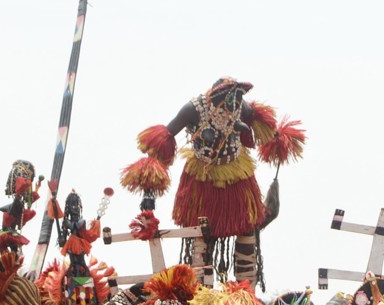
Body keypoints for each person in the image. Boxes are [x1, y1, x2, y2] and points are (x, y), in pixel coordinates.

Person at [122, 78, 305, 288]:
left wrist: (280, 142)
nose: (235, 106)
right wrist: (148, 195)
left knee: (247, 227)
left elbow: (268, 130)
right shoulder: (193, 109)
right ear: (218, 98)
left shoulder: (240, 105)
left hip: (237, 178)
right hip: (203, 181)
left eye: (239, 101)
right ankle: (201, 293)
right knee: (203, 234)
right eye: (231, 101)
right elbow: (161, 145)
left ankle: (246, 291)